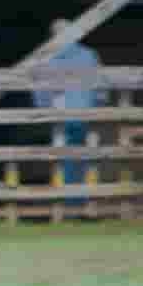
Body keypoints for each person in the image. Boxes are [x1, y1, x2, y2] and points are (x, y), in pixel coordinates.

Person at [39, 19, 104, 188]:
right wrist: (97, 105)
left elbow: (41, 92)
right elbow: (101, 89)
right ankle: (88, 203)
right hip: (87, 114)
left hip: (59, 114)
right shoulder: (90, 55)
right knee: (88, 158)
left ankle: (66, 203)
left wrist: (44, 110)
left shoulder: (46, 58)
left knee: (61, 158)